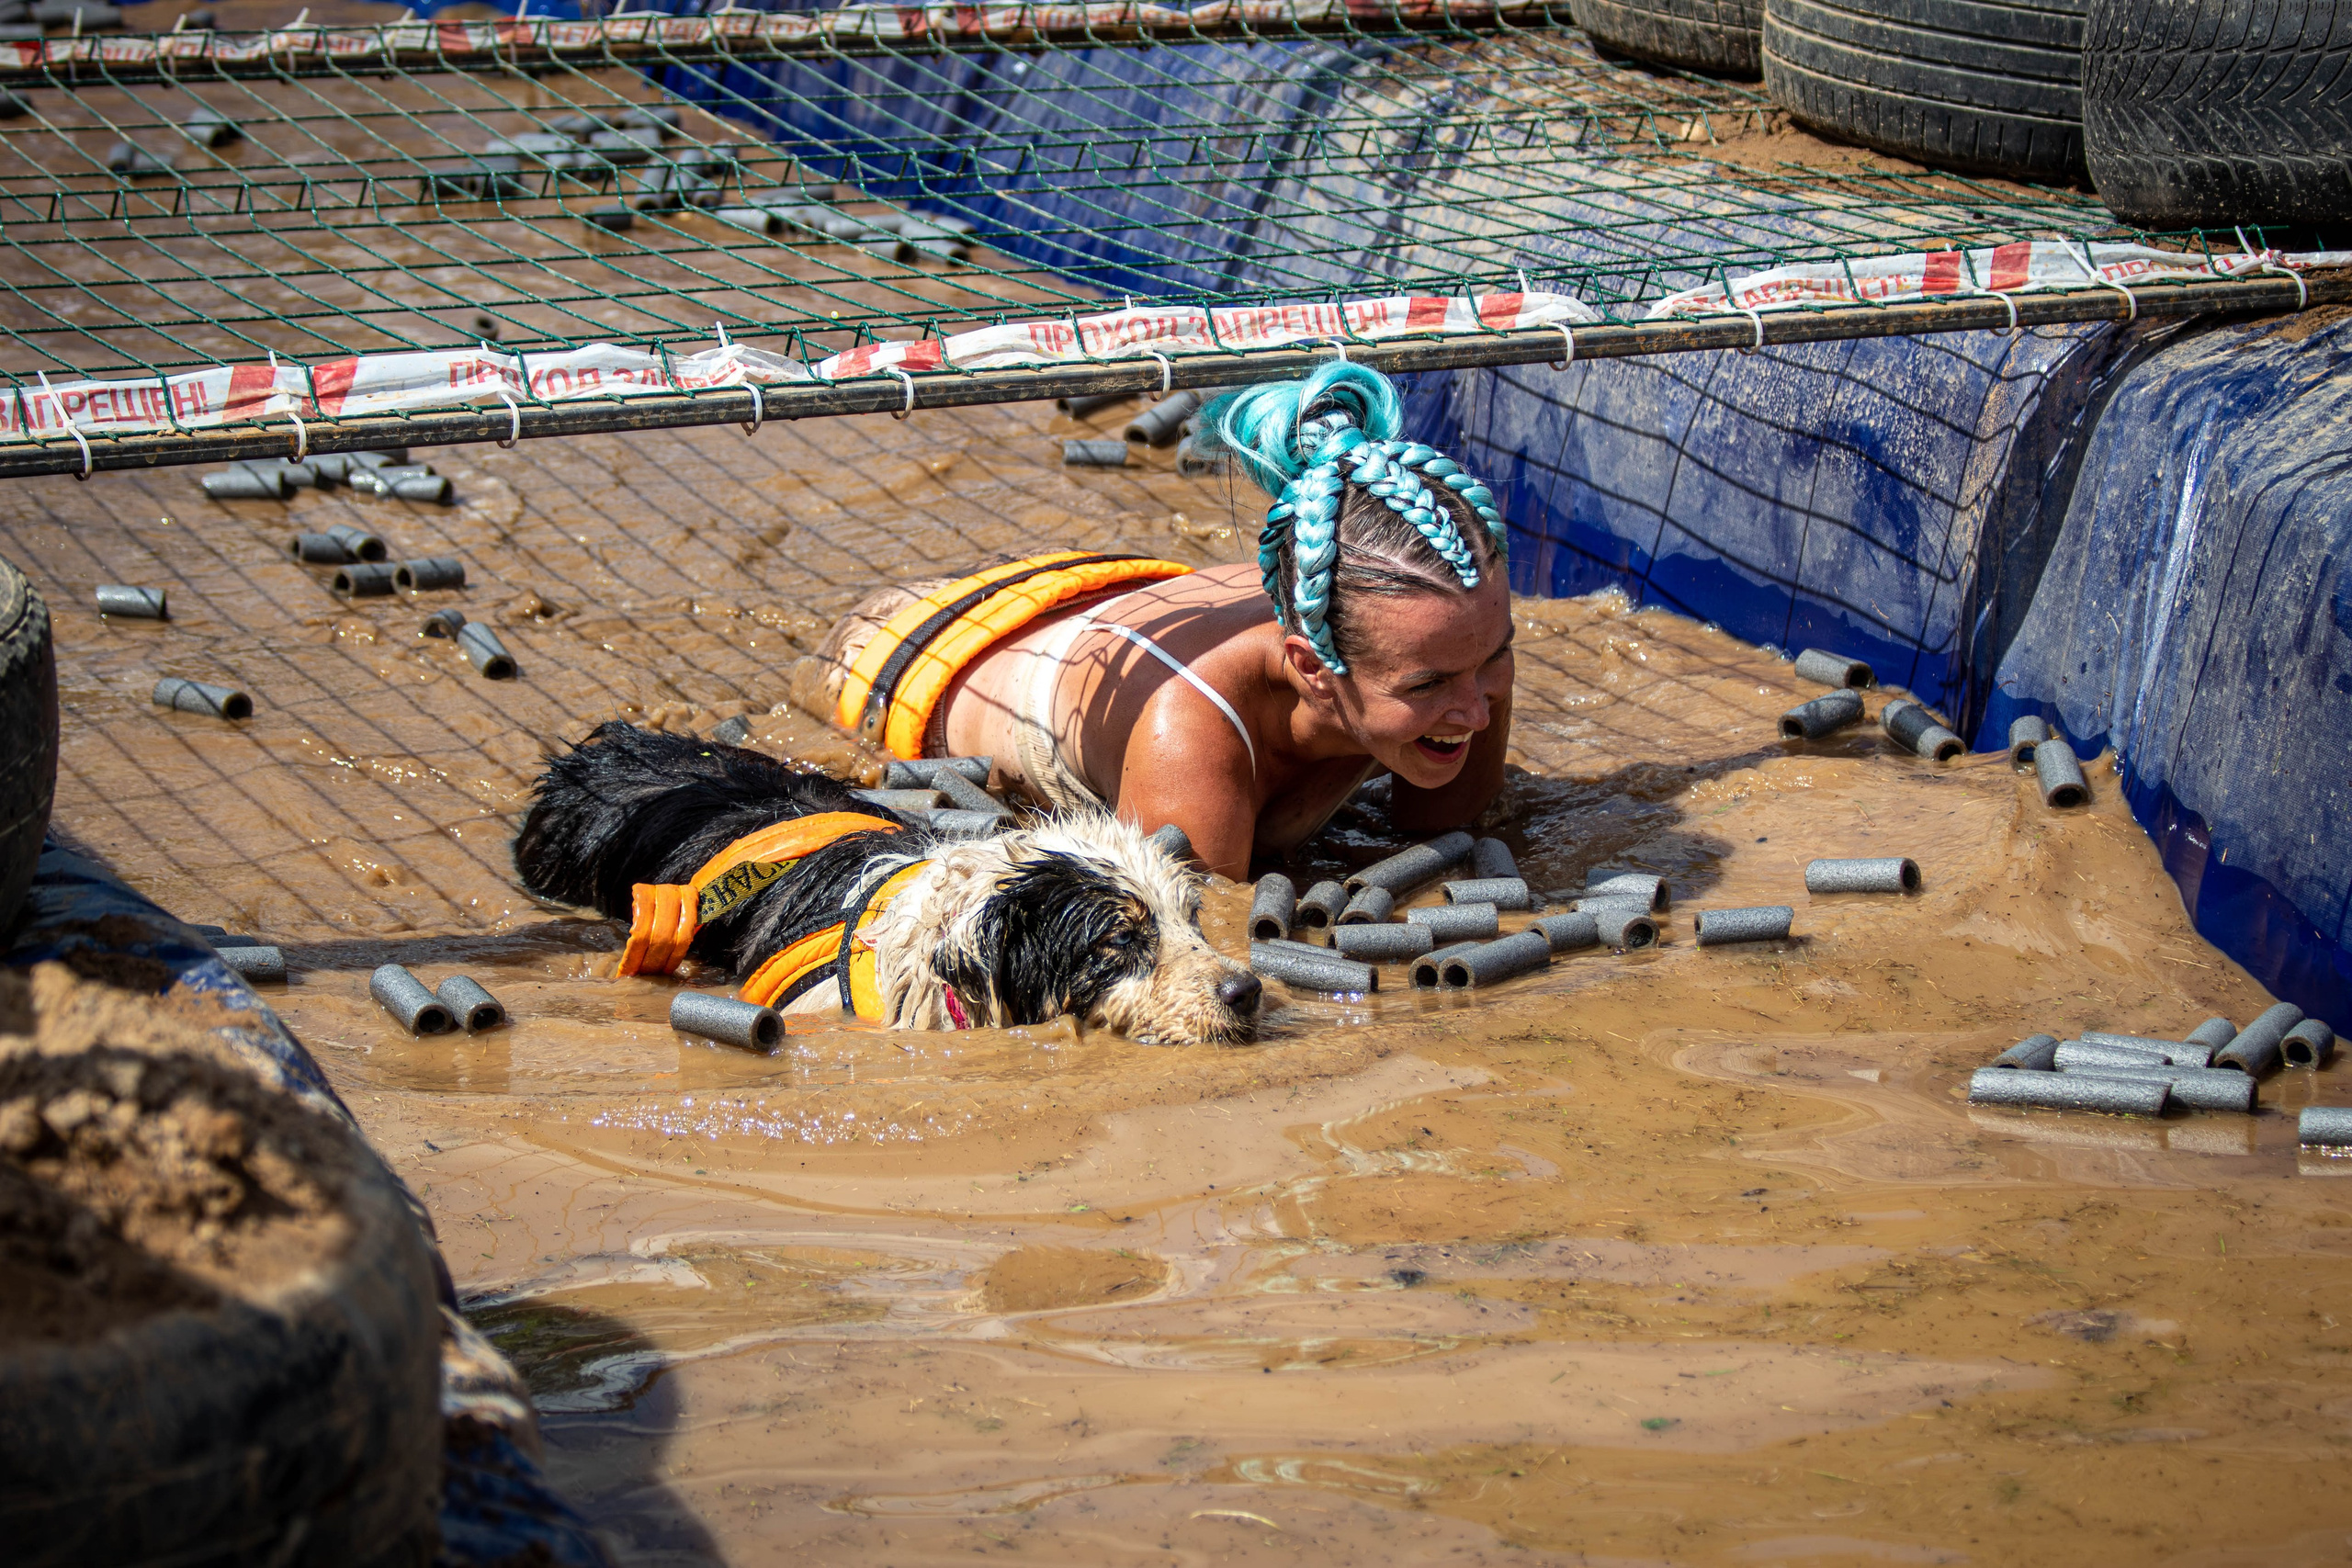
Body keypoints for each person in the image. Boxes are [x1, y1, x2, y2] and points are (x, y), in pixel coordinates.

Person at [794, 361, 1516, 882]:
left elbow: (1440, 827)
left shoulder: (1456, 647)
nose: (1477, 710)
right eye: (1429, 685)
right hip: (896, 660)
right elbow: (1201, 962)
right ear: (1311, 669)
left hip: (1100, 603)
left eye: (1493, 658)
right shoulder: (1190, 746)